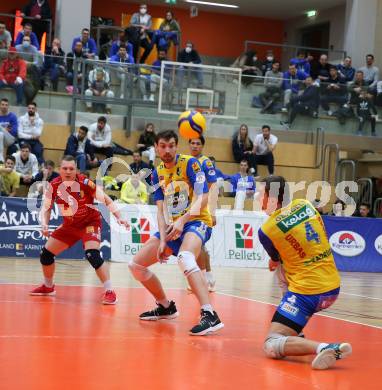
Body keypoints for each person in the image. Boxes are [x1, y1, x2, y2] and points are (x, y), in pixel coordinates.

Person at [128, 130, 223, 335]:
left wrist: (182, 220)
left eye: (171, 145)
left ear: (176, 146)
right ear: (156, 147)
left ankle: (210, 314)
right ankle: (165, 306)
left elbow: (203, 196)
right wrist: (162, 239)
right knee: (135, 266)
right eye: (163, 146)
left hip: (196, 221)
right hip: (172, 227)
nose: (168, 150)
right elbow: (160, 210)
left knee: (186, 257)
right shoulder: (155, 174)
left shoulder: (190, 164)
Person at [258, 175, 352, 370]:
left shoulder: (267, 230)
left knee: (271, 344)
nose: (258, 199)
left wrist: (275, 260)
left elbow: (275, 259)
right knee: (283, 265)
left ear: (273, 198)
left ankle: (327, 348)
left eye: (261, 195)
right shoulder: (306, 205)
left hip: (307, 293)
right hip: (333, 287)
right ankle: (296, 332)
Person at [29, 155, 129, 304]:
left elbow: (106, 199)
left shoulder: (85, 183)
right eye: (65, 168)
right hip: (70, 225)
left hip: (89, 223)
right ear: (59, 169)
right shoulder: (53, 186)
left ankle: (109, 291)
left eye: (71, 168)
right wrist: (44, 223)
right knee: (46, 255)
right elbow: (46, 208)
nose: (68, 171)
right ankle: (48, 287)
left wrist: (119, 217)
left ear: (76, 170)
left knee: (92, 255)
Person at [188, 136, 218, 292]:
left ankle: (207, 277)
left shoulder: (206, 162)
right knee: (193, 245)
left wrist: (212, 212)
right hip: (189, 207)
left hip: (203, 208)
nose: (194, 145)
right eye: (192, 143)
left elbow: (213, 188)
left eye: (198, 143)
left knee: (199, 244)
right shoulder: (186, 161)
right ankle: (203, 278)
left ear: (202, 146)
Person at [0, 98, 18, 162]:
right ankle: (1, 159)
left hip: (10, 139)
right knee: (0, 134)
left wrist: (4, 130)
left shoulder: (12, 116)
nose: (4, 106)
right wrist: (6, 129)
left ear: (8, 106)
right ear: (0, 105)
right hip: (0, 138)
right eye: (2, 104)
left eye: (6, 105)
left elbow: (14, 131)